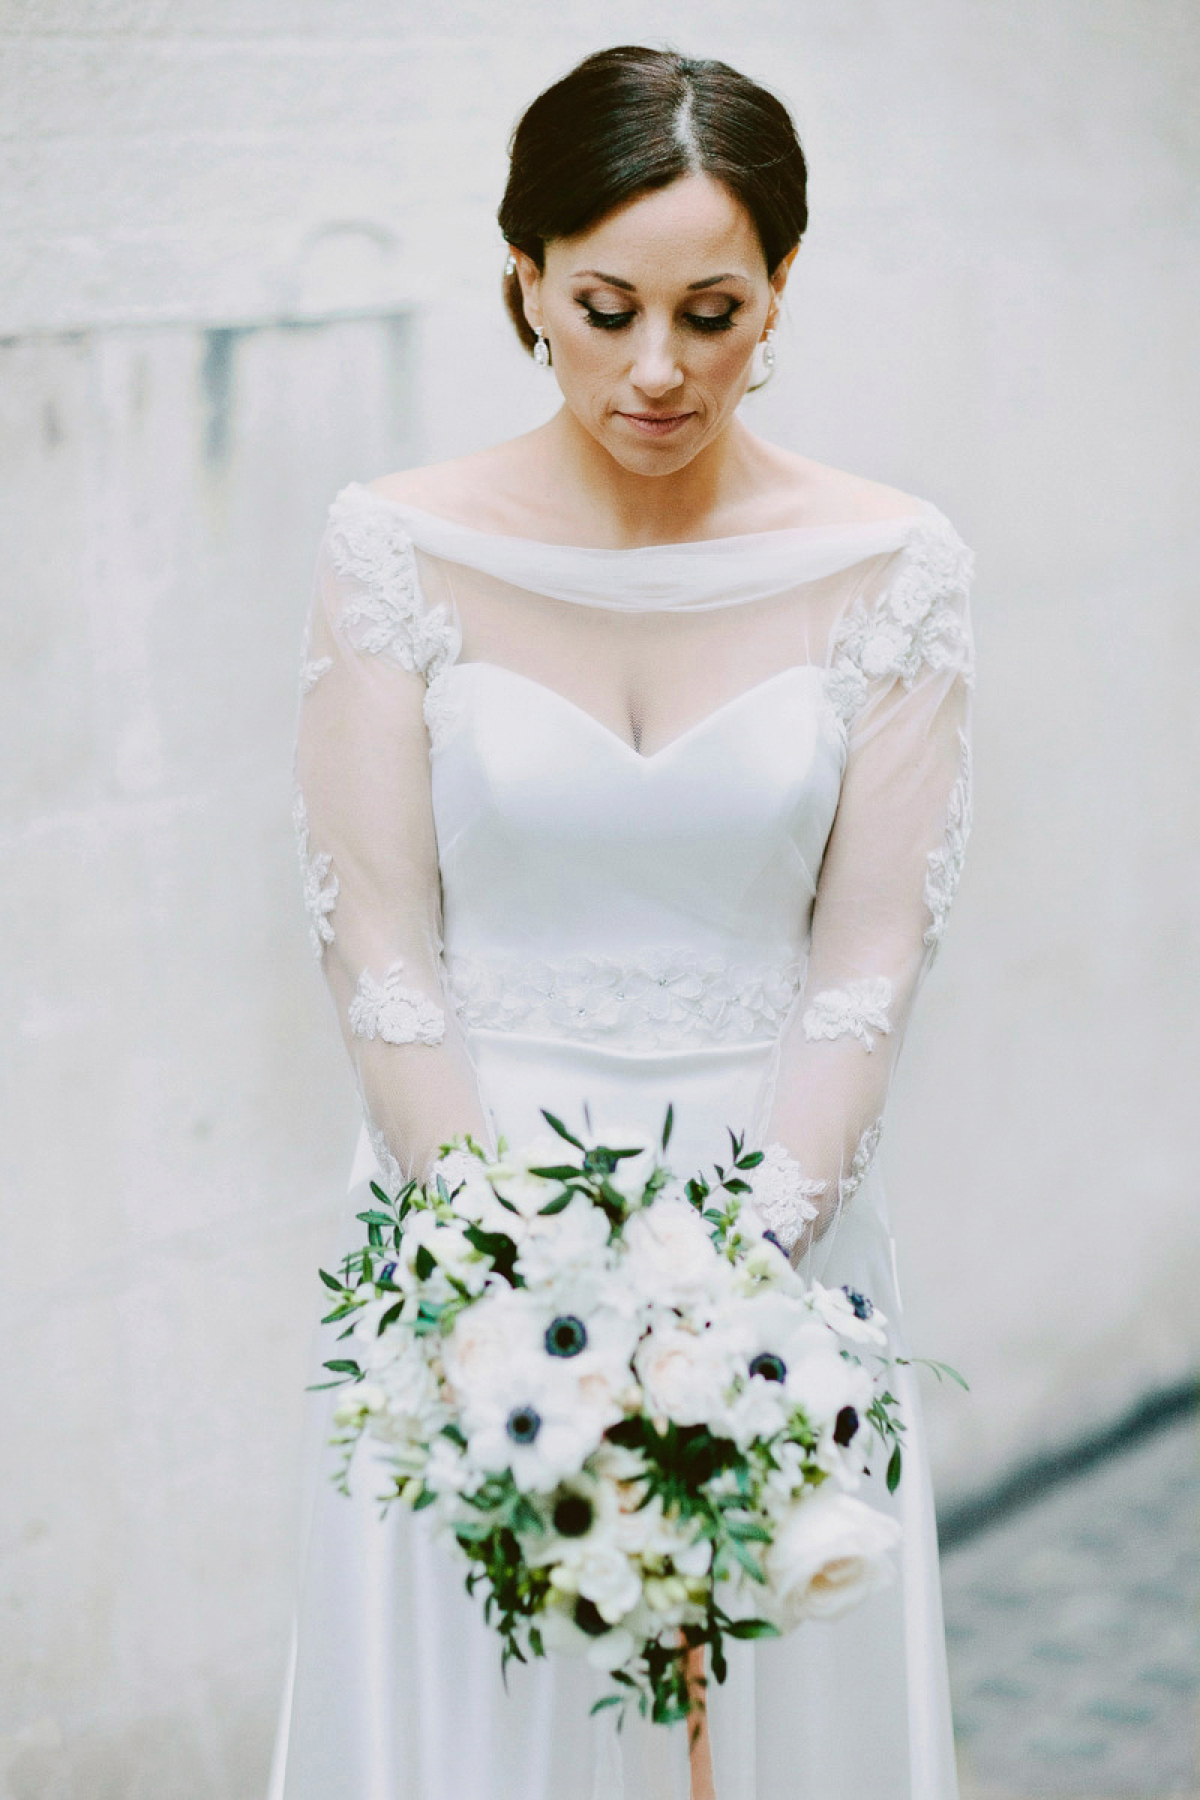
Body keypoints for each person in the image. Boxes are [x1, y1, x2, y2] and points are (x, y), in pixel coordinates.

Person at [270, 43, 974, 1800]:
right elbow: (383, 958)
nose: (659, 369)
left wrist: (746, 1294)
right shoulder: (393, 549)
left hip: (779, 1225)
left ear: (780, 292)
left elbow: (864, 966)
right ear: (524, 277)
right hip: (463, 1216)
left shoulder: (895, 565)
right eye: (604, 307)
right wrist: (507, 1286)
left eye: (713, 312)